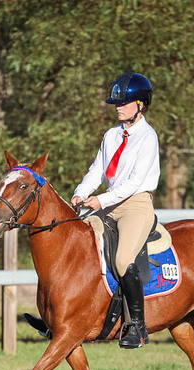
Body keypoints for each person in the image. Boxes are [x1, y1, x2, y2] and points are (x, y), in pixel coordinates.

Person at [71, 72, 160, 349]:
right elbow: (98, 169)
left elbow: (134, 181)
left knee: (123, 260)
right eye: (116, 103)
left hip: (135, 204)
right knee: (77, 244)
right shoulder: (111, 135)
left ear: (140, 105)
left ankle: (137, 326)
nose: (118, 107)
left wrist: (101, 200)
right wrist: (81, 192)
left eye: (124, 103)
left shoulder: (147, 137)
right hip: (108, 204)